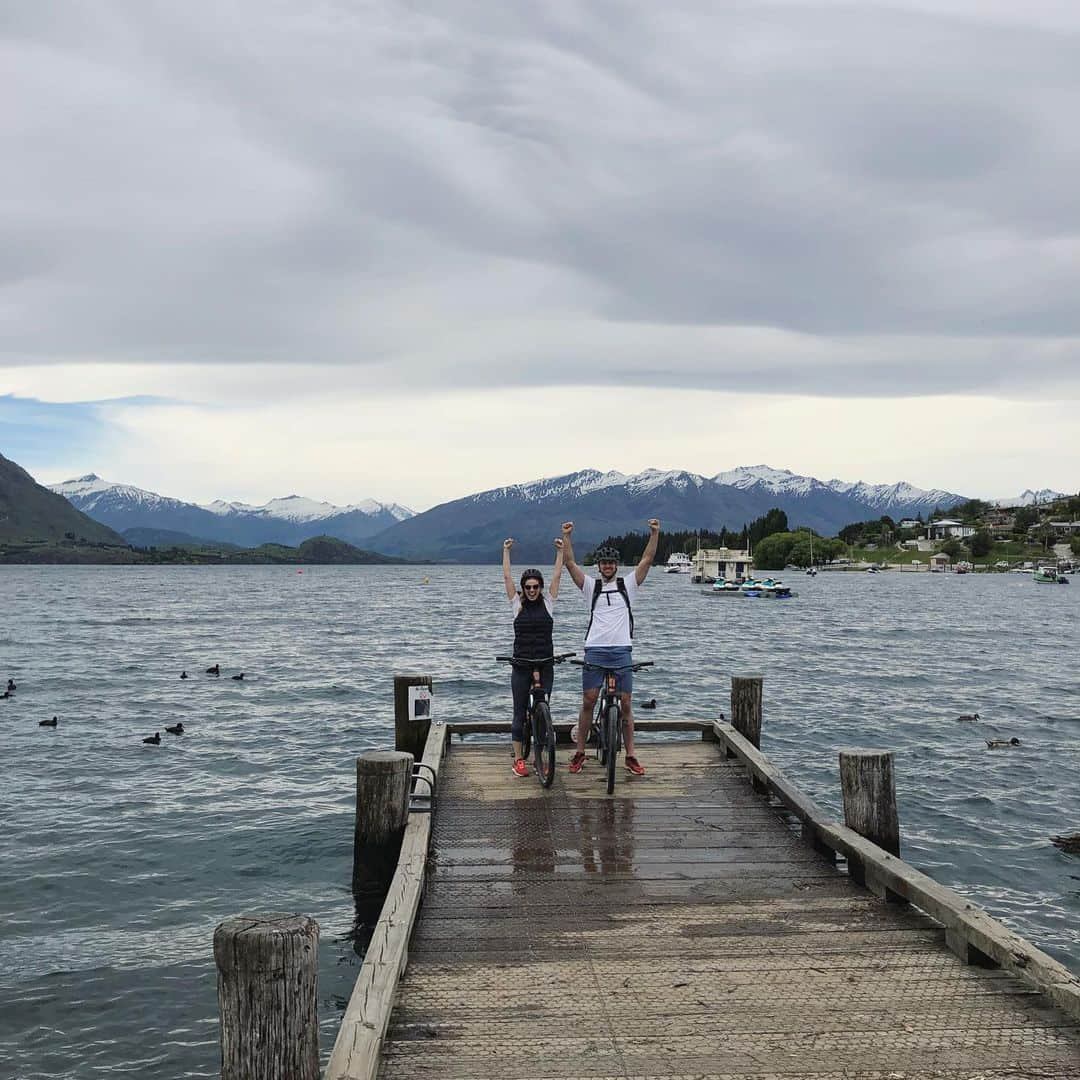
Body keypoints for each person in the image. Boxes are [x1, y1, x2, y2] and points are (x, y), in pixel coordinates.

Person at [560, 518, 660, 776]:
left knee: (626, 704)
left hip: (621, 651)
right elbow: (570, 564)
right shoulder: (591, 587)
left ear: (616, 565)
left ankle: (631, 755)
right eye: (604, 563)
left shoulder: (627, 585)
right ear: (599, 566)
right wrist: (567, 537)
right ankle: (580, 752)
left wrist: (654, 533)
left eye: (611, 563)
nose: (607, 566)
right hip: (594, 649)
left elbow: (647, 561)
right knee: (589, 701)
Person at [502, 536, 565, 777]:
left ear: (540, 587)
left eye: (535, 587)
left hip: (545, 664)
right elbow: (507, 577)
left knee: (543, 707)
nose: (531, 590)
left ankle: (542, 751)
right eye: (527, 587)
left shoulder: (549, 603)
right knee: (519, 711)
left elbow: (558, 576)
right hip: (521, 665)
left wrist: (560, 552)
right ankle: (519, 760)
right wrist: (506, 551)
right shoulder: (516, 604)